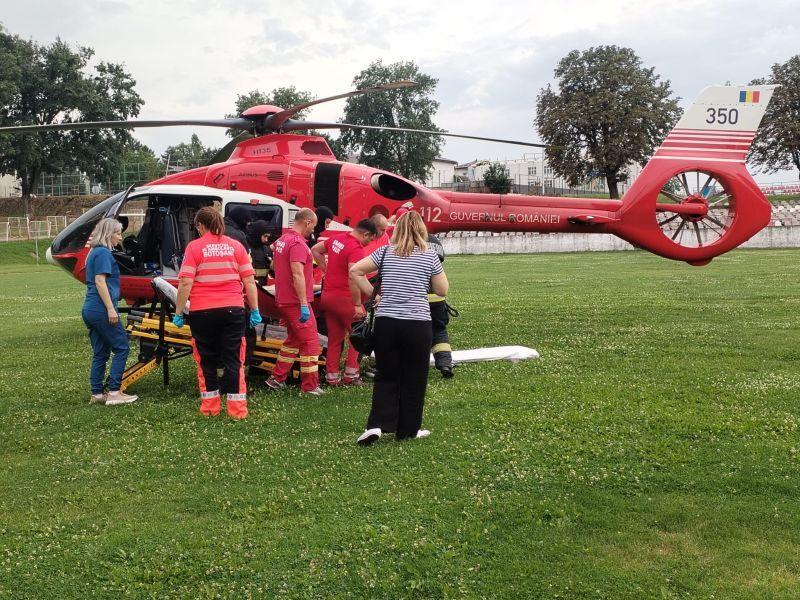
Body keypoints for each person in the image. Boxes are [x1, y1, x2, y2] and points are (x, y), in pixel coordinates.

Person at [349, 211, 449, 445]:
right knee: (414, 377)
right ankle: (408, 429)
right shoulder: (429, 255)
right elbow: (442, 290)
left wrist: (376, 295)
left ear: (398, 229)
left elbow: (355, 271)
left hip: (387, 323)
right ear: (421, 230)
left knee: (386, 374)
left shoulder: (385, 252)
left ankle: (376, 425)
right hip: (417, 324)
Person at [172, 207, 261, 419]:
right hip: (233, 309)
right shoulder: (236, 246)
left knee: (206, 359)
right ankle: (237, 410)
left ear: (201, 225)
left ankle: (210, 408)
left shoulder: (194, 247)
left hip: (202, 311)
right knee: (234, 359)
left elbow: (185, 282)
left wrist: (178, 311)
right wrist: (255, 310)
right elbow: (249, 281)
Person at [311, 218, 378, 386]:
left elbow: (315, 250)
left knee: (335, 338)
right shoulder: (356, 249)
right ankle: (351, 375)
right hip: (344, 298)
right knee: (358, 336)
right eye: (371, 239)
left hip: (328, 296)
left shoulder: (337, 239)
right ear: (366, 234)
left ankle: (332, 377)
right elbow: (353, 277)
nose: (369, 243)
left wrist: (326, 269)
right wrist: (357, 304)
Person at [266, 208, 324, 395]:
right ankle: (310, 385)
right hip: (296, 302)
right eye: (313, 226)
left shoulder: (282, 240)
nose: (313, 230)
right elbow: (297, 274)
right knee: (310, 341)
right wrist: (304, 304)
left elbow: (273, 256)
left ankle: (277, 378)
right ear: (307, 222)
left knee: (294, 339)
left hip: (284, 298)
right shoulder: (298, 244)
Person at [81, 218, 138, 406]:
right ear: (108, 234)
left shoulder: (93, 252)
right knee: (122, 347)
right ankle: (114, 392)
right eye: (118, 233)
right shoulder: (104, 253)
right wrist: (111, 309)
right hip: (100, 309)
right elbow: (100, 281)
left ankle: (97, 393)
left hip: (90, 308)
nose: (119, 238)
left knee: (101, 352)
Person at [427, 234, 455, 378]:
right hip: (437, 298)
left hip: (419, 298)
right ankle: (445, 363)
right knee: (439, 331)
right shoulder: (434, 240)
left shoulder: (411, 242)